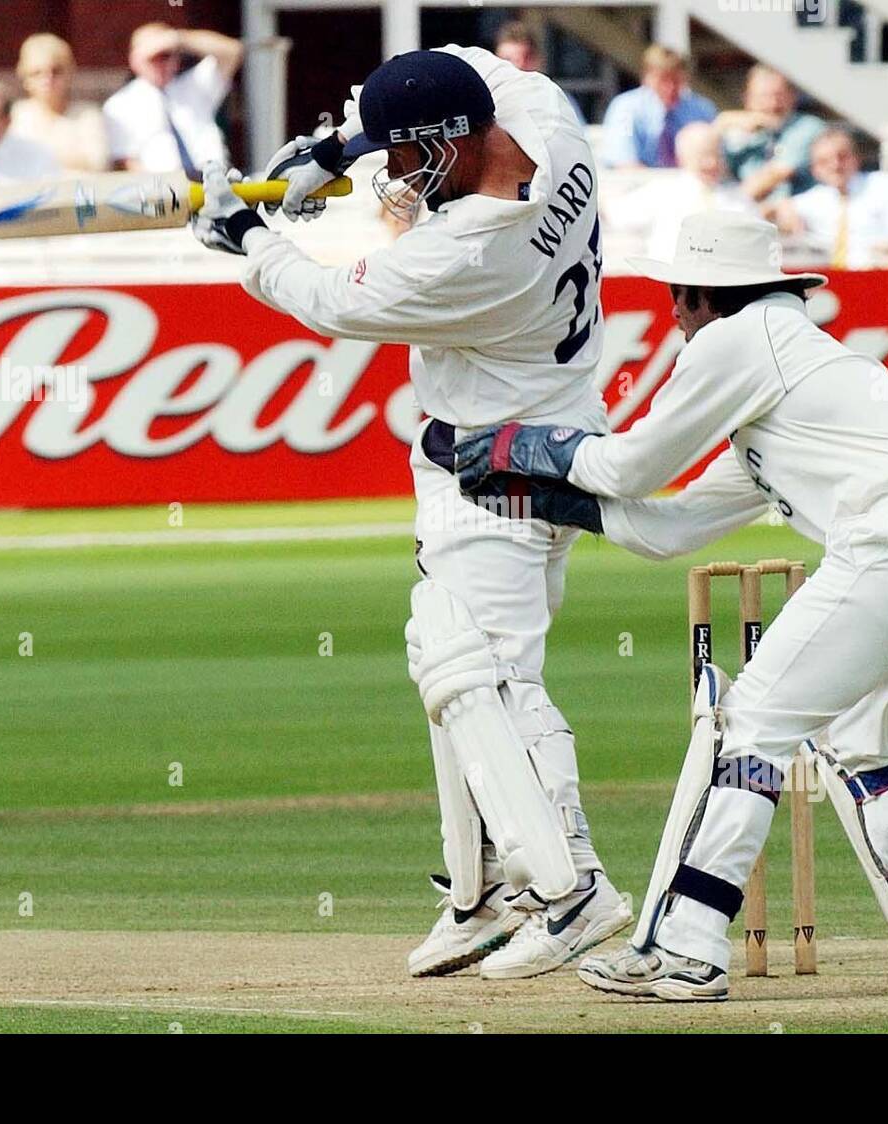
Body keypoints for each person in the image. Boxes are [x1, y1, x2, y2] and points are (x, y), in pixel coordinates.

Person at [454, 211, 888, 1001]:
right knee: (863, 735)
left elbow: (629, 463)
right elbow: (674, 525)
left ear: (700, 295)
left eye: (677, 300)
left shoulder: (741, 337)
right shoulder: (793, 377)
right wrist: (552, 501)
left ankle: (686, 945)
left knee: (749, 726)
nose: (673, 317)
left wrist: (524, 448)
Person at [192, 46, 631, 980]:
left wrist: (245, 235)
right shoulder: (553, 128)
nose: (394, 176)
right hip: (547, 440)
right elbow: (467, 66)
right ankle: (478, 895)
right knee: (452, 672)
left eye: (403, 156)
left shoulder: (468, 252)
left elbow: (323, 298)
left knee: (491, 681)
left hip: (492, 467)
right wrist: (339, 147)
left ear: (447, 140)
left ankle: (572, 883)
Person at [103, 22, 243, 176]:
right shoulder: (119, 105)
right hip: (164, 191)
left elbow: (233, 51)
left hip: (214, 181)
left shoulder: (194, 85)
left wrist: (178, 38)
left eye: (166, 56)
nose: (160, 64)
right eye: (153, 58)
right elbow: (127, 163)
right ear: (134, 60)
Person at [604, 122, 750, 258]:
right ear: (681, 157)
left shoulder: (737, 197)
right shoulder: (662, 192)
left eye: (717, 155)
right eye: (703, 156)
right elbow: (614, 214)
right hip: (669, 279)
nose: (712, 163)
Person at [775, 126, 888, 268]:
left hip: (878, 273)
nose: (835, 165)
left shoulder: (884, 185)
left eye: (842, 157)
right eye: (824, 161)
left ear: (857, 158)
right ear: (814, 169)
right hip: (832, 278)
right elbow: (775, 208)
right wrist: (784, 209)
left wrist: (865, 256)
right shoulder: (816, 198)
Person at [716, 65, 824, 202]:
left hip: (792, 212)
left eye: (779, 96)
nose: (772, 104)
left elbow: (774, 175)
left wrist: (730, 206)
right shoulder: (733, 131)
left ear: (793, 96)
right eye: (763, 97)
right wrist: (720, 124)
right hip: (745, 209)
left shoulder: (808, 127)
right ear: (747, 98)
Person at [600, 45, 716, 169]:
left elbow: (717, 157)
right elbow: (624, 161)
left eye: (676, 80)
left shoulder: (701, 109)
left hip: (693, 182)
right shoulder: (625, 109)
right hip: (640, 184)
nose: (670, 88)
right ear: (646, 78)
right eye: (663, 80)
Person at [11, 33, 109, 174]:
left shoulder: (87, 115)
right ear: (25, 78)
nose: (47, 79)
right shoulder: (15, 116)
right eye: (37, 73)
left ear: (70, 73)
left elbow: (99, 163)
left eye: (56, 71)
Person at [494, 20, 584, 124]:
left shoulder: (558, 101)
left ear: (539, 59)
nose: (519, 66)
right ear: (495, 61)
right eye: (508, 60)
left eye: (527, 58)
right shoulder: (486, 106)